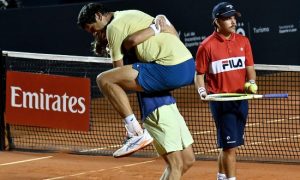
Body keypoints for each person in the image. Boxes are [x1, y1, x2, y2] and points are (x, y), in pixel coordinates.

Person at [77, 3, 195, 157]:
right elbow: (168, 33)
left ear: (99, 16)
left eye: (93, 29)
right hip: (188, 64)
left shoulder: (114, 28)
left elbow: (117, 71)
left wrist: (115, 49)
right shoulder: (130, 14)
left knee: (104, 80)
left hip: (170, 69)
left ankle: (135, 132)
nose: (94, 33)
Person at [92, 26, 195, 179]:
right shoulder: (127, 53)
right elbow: (135, 39)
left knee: (188, 160)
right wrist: (156, 24)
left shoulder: (138, 51)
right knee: (176, 165)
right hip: (156, 110)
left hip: (168, 104)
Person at [194, 2, 257, 180]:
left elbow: (250, 68)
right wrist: (201, 91)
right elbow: (199, 75)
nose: (233, 21)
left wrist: (251, 82)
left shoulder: (244, 41)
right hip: (221, 101)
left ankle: (221, 176)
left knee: (226, 145)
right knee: (230, 147)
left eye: (233, 17)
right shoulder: (206, 46)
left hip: (241, 100)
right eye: (228, 18)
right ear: (217, 21)